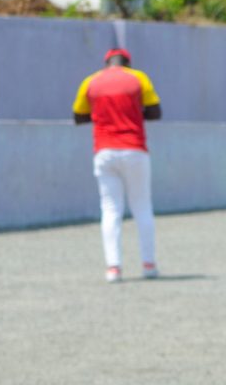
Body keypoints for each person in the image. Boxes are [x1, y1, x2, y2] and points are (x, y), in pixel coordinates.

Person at [73, 47, 162, 283]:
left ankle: (114, 267)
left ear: (106, 62)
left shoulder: (91, 82)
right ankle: (148, 264)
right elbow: (155, 112)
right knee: (142, 207)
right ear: (127, 62)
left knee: (110, 209)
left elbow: (78, 116)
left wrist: (103, 115)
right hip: (134, 149)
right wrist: (132, 113)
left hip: (104, 151)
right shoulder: (138, 78)